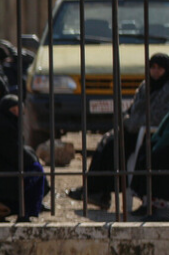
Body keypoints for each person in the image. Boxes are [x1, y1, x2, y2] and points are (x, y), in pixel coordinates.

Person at [67, 53, 169, 209]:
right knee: (107, 143)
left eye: (160, 68)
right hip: (132, 129)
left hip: (150, 133)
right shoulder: (145, 86)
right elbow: (132, 109)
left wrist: (131, 122)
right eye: (152, 67)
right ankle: (95, 190)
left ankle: (98, 190)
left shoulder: (166, 89)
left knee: (116, 146)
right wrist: (128, 121)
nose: (155, 72)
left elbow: (157, 116)